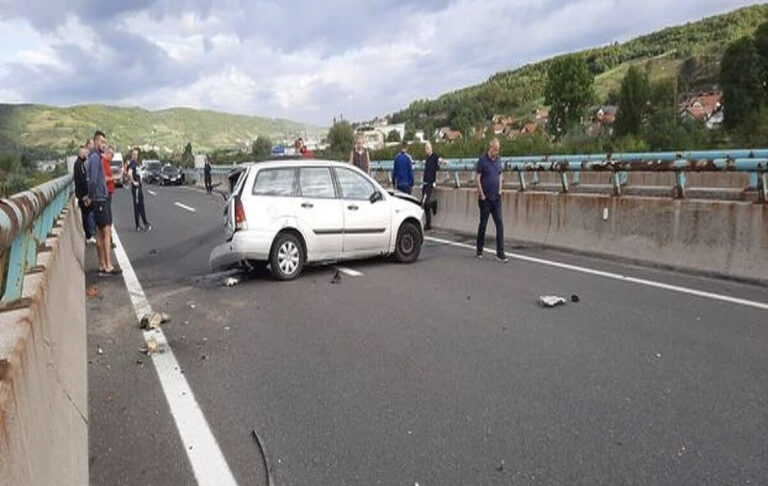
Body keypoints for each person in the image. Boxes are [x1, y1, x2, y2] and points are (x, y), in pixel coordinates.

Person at [87, 130, 121, 276]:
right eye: (101, 142)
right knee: (106, 231)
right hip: (100, 198)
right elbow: (93, 180)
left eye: (104, 142)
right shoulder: (95, 158)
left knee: (100, 233)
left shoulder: (94, 157)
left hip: (99, 198)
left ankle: (102, 264)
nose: (103, 144)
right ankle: (107, 265)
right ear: (95, 142)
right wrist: (91, 196)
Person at [476, 138, 507, 262]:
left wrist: (500, 189)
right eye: (495, 150)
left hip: (496, 198)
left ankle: (500, 252)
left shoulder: (498, 160)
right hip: (485, 198)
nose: (497, 152)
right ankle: (479, 248)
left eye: (498, 150)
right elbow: (478, 178)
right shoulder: (482, 160)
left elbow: (500, 175)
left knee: (499, 224)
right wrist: (482, 194)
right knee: (483, 224)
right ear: (491, 148)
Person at [73, 145, 96, 244]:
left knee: (86, 214)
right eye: (85, 153)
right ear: (81, 152)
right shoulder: (80, 164)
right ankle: (89, 235)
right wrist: (87, 194)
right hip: (82, 195)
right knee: (86, 214)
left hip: (81, 194)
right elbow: (83, 180)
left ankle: (89, 234)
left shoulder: (78, 163)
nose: (87, 155)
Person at [421, 141, 446, 230]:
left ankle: (433, 204)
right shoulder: (427, 159)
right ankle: (428, 224)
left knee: (424, 202)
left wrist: (445, 162)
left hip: (430, 183)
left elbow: (440, 160)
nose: (425, 151)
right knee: (423, 203)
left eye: (426, 149)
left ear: (430, 149)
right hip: (425, 182)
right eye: (425, 149)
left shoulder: (434, 156)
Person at [127, 148, 151, 231]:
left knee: (138, 205)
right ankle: (144, 223)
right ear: (132, 155)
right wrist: (133, 182)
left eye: (136, 154)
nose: (135, 156)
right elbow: (129, 173)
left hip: (138, 187)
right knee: (139, 205)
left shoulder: (136, 163)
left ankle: (138, 225)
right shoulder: (132, 163)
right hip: (136, 188)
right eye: (134, 154)